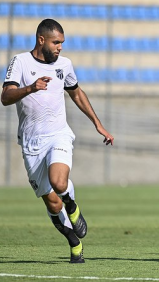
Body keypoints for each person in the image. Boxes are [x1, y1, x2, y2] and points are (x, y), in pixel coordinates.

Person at [1, 19, 114, 263]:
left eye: (62, 43)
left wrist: (98, 124)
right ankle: (74, 243)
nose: (60, 47)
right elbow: (6, 97)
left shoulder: (65, 64)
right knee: (52, 204)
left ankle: (72, 207)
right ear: (41, 40)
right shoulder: (20, 62)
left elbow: (76, 93)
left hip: (58, 134)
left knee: (58, 181)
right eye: (56, 42)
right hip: (31, 144)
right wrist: (30, 88)